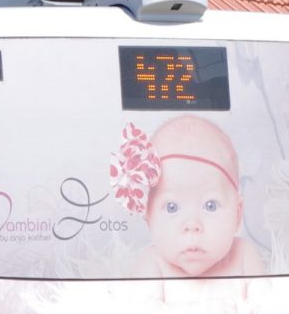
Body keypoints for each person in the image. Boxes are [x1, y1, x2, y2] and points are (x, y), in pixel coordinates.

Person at [113, 116, 267, 278]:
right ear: (148, 217)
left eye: (211, 205)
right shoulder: (152, 264)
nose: (192, 225)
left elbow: (263, 301)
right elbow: (145, 304)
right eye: (172, 207)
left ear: (237, 214)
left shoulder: (243, 257)